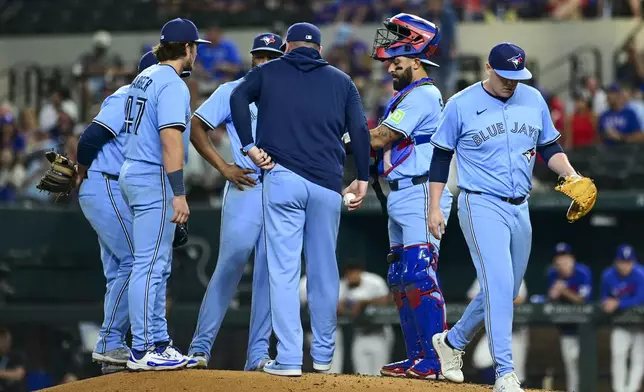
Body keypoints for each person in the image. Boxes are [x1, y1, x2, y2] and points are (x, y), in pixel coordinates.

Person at [427, 42, 587, 392]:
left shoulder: (532, 99)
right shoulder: (461, 104)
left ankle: (451, 342)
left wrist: (570, 175)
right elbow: (440, 157)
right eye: (505, 75)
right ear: (489, 68)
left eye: (517, 76)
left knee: (508, 289)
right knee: (498, 285)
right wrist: (434, 205)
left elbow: (548, 147)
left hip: (520, 204)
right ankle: (505, 373)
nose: (511, 82)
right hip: (480, 202)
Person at [230, 22, 371, 377]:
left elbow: (237, 98)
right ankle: (324, 357)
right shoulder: (342, 80)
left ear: (287, 47)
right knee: (325, 271)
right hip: (327, 184)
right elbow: (359, 131)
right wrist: (364, 178)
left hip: (283, 179)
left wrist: (248, 146)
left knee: (284, 271)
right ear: (320, 50)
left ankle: (290, 358)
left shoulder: (269, 70)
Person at [362, 13, 453, 380]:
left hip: (420, 192)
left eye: (397, 62)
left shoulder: (425, 94)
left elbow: (380, 138)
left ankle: (435, 359)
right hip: (400, 193)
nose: (390, 67)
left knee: (419, 273)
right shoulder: (407, 95)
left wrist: (338, 136)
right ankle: (417, 356)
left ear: (417, 60)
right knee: (400, 276)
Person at [186, 33, 285, 371]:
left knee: (269, 274)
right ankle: (200, 349)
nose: (265, 62)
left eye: (272, 56)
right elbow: (196, 125)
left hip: (280, 191)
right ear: (253, 58)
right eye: (261, 55)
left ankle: (257, 355)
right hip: (245, 185)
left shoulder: (291, 96)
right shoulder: (232, 90)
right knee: (230, 265)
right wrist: (223, 167)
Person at [119, 18, 210, 371]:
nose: (197, 52)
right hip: (153, 176)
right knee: (149, 265)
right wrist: (179, 192)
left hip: (134, 170)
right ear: (187, 48)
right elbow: (170, 139)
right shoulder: (172, 83)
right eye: (196, 46)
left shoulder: (144, 77)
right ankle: (143, 349)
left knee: (157, 264)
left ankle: (158, 342)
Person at [76, 51, 161, 371]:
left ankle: (112, 355)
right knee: (136, 260)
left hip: (117, 188)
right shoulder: (127, 96)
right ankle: (110, 341)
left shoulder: (152, 103)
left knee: (119, 271)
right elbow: (92, 136)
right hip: (106, 183)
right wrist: (81, 171)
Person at [546, 242, 592, 392]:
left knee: (583, 364)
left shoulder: (583, 272)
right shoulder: (552, 274)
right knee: (570, 366)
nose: (562, 262)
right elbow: (549, 300)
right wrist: (552, 295)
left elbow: (582, 300)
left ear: (572, 259)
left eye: (565, 258)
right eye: (559, 259)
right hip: (566, 329)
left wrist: (563, 290)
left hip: (585, 329)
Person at [468, 278, 529, 386]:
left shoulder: (516, 275)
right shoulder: (484, 274)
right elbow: (472, 296)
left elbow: (520, 299)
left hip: (514, 330)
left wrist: (493, 298)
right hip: (493, 329)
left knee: (517, 372)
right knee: (480, 359)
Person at [338, 260, 394, 376]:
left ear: (360, 272)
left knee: (379, 372)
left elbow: (387, 299)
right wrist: (349, 305)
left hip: (380, 333)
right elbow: (337, 307)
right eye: (348, 274)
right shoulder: (343, 285)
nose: (351, 277)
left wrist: (363, 303)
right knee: (361, 373)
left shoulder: (374, 281)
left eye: (354, 273)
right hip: (360, 333)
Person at [600, 244, 644, 392]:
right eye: (622, 262)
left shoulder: (641, 274)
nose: (625, 265)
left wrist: (618, 303)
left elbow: (640, 298)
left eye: (628, 262)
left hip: (640, 325)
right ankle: (619, 390)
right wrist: (606, 303)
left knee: (639, 358)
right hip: (619, 323)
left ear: (634, 262)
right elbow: (604, 298)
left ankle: (631, 390)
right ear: (616, 262)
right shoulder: (608, 275)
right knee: (618, 355)